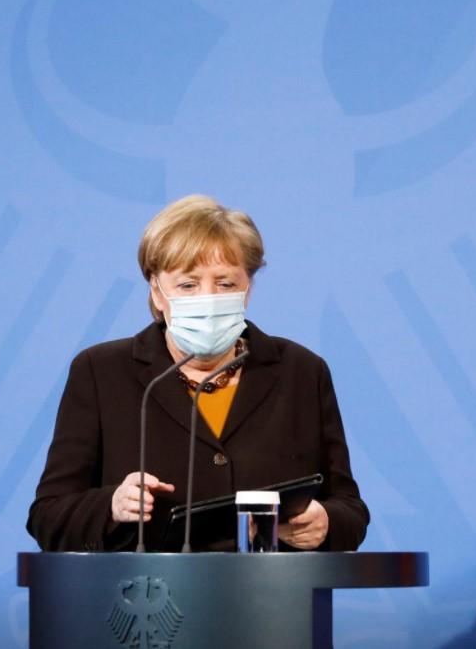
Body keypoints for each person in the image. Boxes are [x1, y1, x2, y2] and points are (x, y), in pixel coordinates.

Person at [27, 195, 368, 552]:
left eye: (224, 284)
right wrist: (112, 506)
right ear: (156, 292)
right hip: (150, 602)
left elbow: (350, 509)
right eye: (188, 285)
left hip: (273, 599)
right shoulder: (101, 372)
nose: (208, 298)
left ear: (248, 289)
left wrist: (326, 522)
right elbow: (48, 517)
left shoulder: (302, 371)